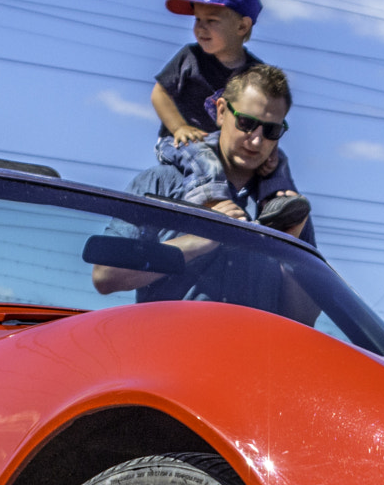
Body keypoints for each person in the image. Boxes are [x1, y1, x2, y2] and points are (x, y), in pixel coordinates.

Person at [92, 64, 316, 316]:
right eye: (246, 123)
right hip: (167, 353)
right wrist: (201, 239)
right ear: (221, 111)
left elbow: (304, 318)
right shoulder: (159, 184)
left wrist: (291, 250)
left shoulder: (285, 208)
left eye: (271, 130)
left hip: (251, 354)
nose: (256, 140)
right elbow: (105, 274)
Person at [151, 0, 265, 145]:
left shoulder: (256, 73)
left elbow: (265, 114)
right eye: (198, 19)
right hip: (183, 141)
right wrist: (179, 127)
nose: (200, 27)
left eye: (211, 20)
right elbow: (159, 94)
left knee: (279, 160)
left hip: (227, 146)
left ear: (242, 26)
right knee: (207, 162)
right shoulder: (191, 56)